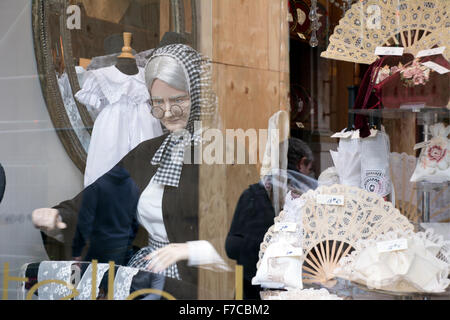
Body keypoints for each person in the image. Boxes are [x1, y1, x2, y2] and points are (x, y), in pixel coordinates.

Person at [32, 44, 228, 299]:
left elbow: (243, 238)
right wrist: (61, 215)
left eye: (177, 100)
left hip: (199, 287)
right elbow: (103, 196)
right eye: (158, 103)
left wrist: (190, 250)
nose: (166, 112)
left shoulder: (225, 156)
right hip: (148, 278)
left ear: (199, 95)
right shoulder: (149, 153)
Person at [225, 137, 316, 300]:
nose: (309, 175)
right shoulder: (303, 202)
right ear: (301, 163)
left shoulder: (251, 195)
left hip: (248, 291)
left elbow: (231, 248)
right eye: (309, 169)